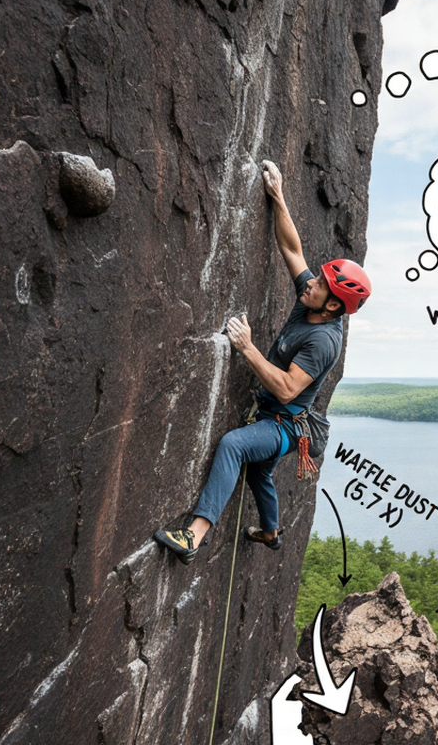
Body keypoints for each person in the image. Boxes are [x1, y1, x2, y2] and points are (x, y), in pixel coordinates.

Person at [154, 160, 371, 564]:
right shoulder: (312, 303)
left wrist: (247, 347)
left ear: (335, 305)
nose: (311, 283)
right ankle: (270, 532)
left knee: (235, 445)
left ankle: (193, 536)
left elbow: (289, 387)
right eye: (318, 279)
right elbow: (292, 248)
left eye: (322, 285)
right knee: (259, 473)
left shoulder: (323, 339)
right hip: (279, 418)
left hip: (283, 424)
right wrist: (278, 195)